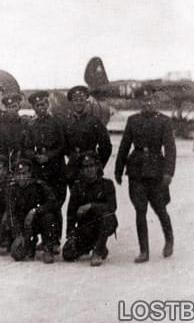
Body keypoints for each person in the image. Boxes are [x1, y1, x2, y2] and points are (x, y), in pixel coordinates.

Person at [115, 89, 176, 263]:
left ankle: (169, 240)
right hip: (136, 170)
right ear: (140, 103)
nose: (148, 104)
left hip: (156, 171)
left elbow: (170, 149)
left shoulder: (164, 121)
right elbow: (124, 146)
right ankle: (144, 251)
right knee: (140, 210)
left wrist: (168, 173)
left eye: (151, 101)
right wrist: (118, 170)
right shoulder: (133, 120)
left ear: (156, 102)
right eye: (144, 101)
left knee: (160, 208)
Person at [23, 90, 68, 254]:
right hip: (38, 171)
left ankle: (55, 240)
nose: (40, 108)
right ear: (33, 107)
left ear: (47, 105)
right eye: (37, 105)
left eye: (43, 104)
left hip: (56, 170)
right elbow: (26, 147)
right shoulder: (31, 125)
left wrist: (48, 157)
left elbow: (63, 146)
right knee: (41, 204)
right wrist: (35, 156)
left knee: (56, 204)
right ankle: (45, 239)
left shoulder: (57, 123)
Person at [63, 85, 111, 236]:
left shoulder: (94, 122)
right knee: (76, 203)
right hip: (73, 170)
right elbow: (63, 145)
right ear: (72, 102)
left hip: (90, 170)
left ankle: (93, 238)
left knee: (91, 204)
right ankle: (75, 237)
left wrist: (97, 166)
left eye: (81, 99)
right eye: (75, 100)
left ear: (86, 101)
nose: (78, 102)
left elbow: (106, 147)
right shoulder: (67, 122)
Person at [62, 154, 118, 267]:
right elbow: (71, 214)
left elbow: (112, 207)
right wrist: (71, 235)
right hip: (86, 226)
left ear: (98, 167)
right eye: (86, 167)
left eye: (92, 166)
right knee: (68, 254)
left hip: (103, 222)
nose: (90, 169)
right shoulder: (77, 187)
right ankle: (95, 245)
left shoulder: (107, 184)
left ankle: (98, 250)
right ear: (81, 170)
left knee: (107, 217)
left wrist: (91, 206)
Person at [6, 157, 58, 263]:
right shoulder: (11, 189)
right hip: (24, 225)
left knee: (48, 217)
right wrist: (18, 234)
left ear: (30, 174)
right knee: (17, 254)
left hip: (39, 221)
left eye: (24, 174)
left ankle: (48, 248)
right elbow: (11, 214)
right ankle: (30, 243)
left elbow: (53, 203)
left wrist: (36, 211)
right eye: (18, 174)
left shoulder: (39, 186)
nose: (22, 177)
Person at [0, 94, 26, 164]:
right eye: (9, 107)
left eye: (14, 106)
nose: (12, 109)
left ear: (19, 107)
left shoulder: (25, 123)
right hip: (6, 160)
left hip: (23, 159)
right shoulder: (1, 124)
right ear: (6, 108)